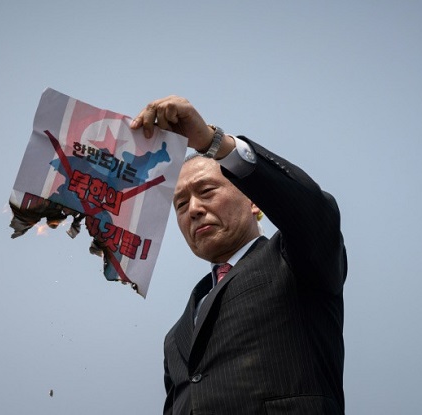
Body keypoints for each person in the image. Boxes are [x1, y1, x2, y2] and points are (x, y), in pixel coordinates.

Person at [131, 96, 347, 415]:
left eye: (206, 191)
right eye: (179, 204)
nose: (193, 210)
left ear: (253, 201)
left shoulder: (295, 260)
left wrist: (213, 142)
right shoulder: (175, 338)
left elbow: (315, 213)